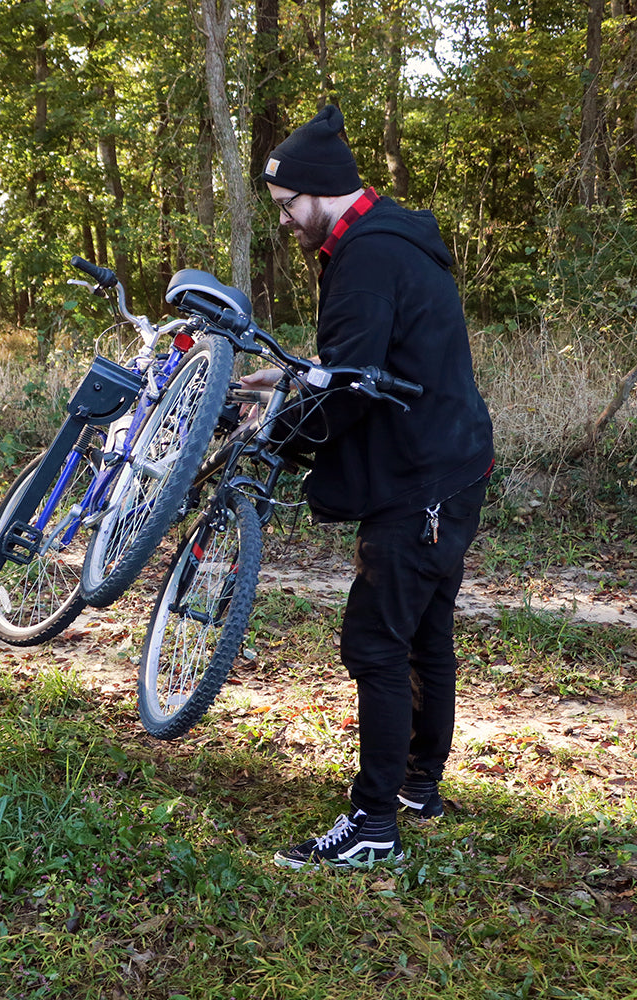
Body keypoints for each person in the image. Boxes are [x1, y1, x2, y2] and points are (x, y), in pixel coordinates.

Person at [246, 104, 494, 870]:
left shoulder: (365, 261)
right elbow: (363, 363)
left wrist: (274, 434)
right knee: (423, 635)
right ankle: (419, 788)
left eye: (288, 207)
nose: (285, 222)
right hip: (449, 461)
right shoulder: (387, 238)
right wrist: (291, 379)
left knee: (376, 641)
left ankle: (374, 823)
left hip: (419, 477)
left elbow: (351, 388)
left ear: (321, 192)